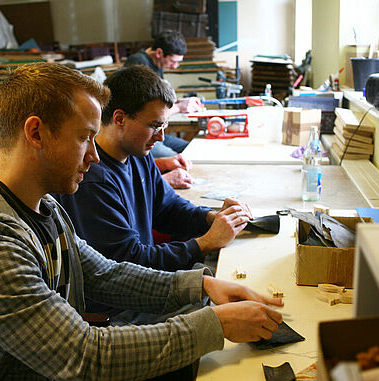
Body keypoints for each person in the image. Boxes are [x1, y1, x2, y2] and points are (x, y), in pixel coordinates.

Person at [0, 62, 282, 380]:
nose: (95, 157)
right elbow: (84, 358)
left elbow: (103, 274)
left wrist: (203, 285)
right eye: (85, 138)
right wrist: (216, 324)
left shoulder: (38, 203)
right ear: (36, 133)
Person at [55, 65, 254, 317]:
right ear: (119, 119)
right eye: (155, 125)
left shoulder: (137, 153)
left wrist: (210, 218)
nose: (161, 137)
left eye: (164, 126)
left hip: (147, 284)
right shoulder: (92, 180)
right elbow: (129, 262)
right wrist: (205, 243)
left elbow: (167, 206)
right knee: (222, 312)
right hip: (120, 309)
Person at [125, 30, 203, 188]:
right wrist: (179, 107)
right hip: (142, 134)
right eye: (173, 61)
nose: (175, 66)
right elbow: (144, 110)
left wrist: (182, 102)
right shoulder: (139, 64)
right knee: (178, 161)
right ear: (159, 52)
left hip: (153, 130)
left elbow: (158, 102)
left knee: (191, 149)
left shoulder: (155, 65)